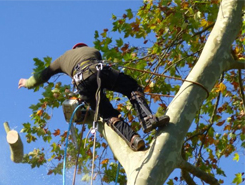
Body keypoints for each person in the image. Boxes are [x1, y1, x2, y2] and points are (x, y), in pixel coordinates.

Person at [18, 43, 169, 151]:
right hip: (100, 70)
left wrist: (27, 82)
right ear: (83, 47)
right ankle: (148, 120)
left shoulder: (63, 58)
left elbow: (43, 74)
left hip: (81, 82)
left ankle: (133, 139)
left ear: (74, 49)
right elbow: (100, 78)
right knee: (132, 88)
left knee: (108, 115)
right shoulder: (94, 51)